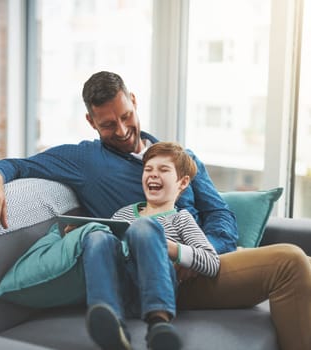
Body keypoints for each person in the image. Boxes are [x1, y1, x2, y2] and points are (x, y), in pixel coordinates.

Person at [0, 71, 311, 350]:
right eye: (107, 125)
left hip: (199, 260)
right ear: (91, 122)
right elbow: (21, 165)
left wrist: (197, 253)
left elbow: (220, 215)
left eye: (126, 116)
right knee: (292, 262)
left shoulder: (179, 158)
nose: (121, 130)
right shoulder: (87, 161)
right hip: (155, 273)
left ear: (133, 101)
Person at [81, 141, 220, 350]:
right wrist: (80, 232)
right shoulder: (124, 213)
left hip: (157, 286)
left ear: (182, 183)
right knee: (97, 236)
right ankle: (111, 322)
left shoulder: (181, 218)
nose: (153, 174)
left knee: (144, 227)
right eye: (148, 169)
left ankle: (158, 323)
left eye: (163, 170)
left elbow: (212, 261)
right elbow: (107, 251)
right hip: (121, 290)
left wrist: (171, 248)